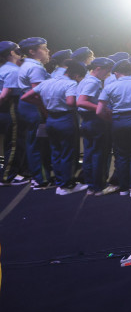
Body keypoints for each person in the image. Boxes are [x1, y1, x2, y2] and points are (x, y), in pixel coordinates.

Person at [22, 61, 87, 194]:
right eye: (79, 77)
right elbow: (70, 102)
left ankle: (59, 183)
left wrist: (43, 105)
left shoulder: (47, 82)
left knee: (55, 151)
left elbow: (25, 96)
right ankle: (67, 185)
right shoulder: (71, 84)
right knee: (67, 152)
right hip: (65, 119)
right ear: (75, 75)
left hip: (51, 119)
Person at [97, 58, 131, 197]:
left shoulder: (110, 86)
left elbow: (99, 111)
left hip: (117, 121)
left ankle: (123, 187)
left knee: (121, 155)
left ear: (117, 72)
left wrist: (111, 119)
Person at [76, 57, 117, 195]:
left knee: (89, 153)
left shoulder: (85, 80)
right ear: (98, 68)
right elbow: (81, 102)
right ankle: (99, 186)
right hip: (95, 120)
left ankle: (91, 185)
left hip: (87, 120)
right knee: (99, 154)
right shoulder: (93, 82)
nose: (108, 74)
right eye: (106, 71)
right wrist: (102, 109)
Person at [17, 37, 52, 189]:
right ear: (32, 51)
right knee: (37, 144)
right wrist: (46, 112)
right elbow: (37, 93)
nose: (47, 51)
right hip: (34, 106)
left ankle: (37, 176)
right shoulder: (36, 67)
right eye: (44, 48)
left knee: (33, 142)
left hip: (26, 105)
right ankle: (41, 179)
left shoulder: (27, 64)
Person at [0, 41, 28, 185]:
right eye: (17, 50)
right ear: (11, 52)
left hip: (6, 109)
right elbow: (5, 95)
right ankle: (7, 177)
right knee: (14, 143)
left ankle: (13, 172)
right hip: (11, 107)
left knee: (11, 142)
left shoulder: (4, 68)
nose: (20, 52)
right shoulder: (13, 70)